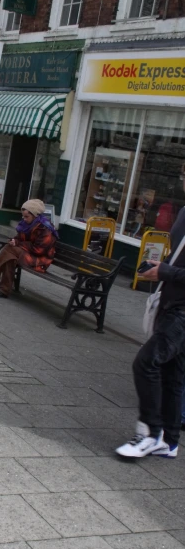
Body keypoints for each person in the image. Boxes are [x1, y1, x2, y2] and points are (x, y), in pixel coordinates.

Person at [116, 196, 185, 460]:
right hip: (170, 304)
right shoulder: (183, 214)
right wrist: (162, 268)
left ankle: (149, 434)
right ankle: (169, 441)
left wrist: (165, 272)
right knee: (173, 377)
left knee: (146, 362)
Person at [0, 199, 58, 298]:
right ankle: (3, 290)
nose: (24, 218)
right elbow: (20, 238)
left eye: (27, 216)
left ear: (35, 215)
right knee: (10, 257)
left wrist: (18, 243)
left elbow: (39, 250)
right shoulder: (26, 225)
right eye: (23, 216)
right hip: (28, 255)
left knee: (11, 250)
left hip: (40, 260)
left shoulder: (45, 228)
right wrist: (14, 240)